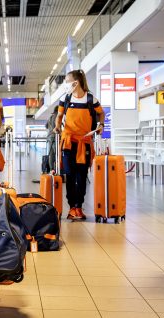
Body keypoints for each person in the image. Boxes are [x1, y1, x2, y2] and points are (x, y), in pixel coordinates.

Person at [53, 69, 104, 221]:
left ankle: (78, 207)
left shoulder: (91, 99)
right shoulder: (66, 99)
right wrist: (57, 127)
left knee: (81, 176)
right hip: (68, 142)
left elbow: (101, 113)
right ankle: (71, 207)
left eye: (67, 81)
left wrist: (101, 124)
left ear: (76, 82)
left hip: (85, 143)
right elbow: (59, 116)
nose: (66, 84)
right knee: (69, 175)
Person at [45, 106, 58, 173]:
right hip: (55, 137)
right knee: (57, 153)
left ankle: (51, 169)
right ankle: (58, 169)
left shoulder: (50, 117)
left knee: (51, 154)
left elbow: (46, 126)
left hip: (49, 136)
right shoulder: (57, 116)